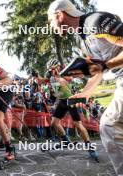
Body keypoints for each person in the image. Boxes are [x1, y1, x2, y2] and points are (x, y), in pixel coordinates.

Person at [48, 0, 123, 174]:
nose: (51, 26)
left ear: (60, 15)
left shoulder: (96, 21)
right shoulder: (80, 41)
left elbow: (103, 67)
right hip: (120, 78)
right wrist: (84, 93)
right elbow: (98, 71)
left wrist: (106, 65)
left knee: (110, 125)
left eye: (51, 20)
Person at [46, 58, 97, 157]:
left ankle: (89, 147)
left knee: (77, 124)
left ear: (57, 67)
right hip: (62, 101)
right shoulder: (53, 78)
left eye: (53, 69)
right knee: (54, 122)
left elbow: (67, 81)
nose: (51, 71)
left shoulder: (63, 74)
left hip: (70, 100)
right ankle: (65, 140)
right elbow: (58, 93)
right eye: (50, 69)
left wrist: (57, 78)